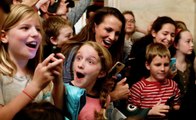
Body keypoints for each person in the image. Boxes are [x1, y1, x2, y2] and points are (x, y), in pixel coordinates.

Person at [0, 4, 65, 120]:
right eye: (25, 28)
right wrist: (35, 86)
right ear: (4, 36)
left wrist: (58, 83)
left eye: (38, 29)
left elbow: (56, 113)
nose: (36, 34)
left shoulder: (39, 72)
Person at [61, 6, 129, 104]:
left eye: (117, 33)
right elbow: (66, 96)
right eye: (108, 30)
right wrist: (112, 97)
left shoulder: (115, 53)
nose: (113, 37)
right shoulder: (76, 52)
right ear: (94, 27)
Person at [128, 43, 181, 119]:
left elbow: (177, 106)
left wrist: (171, 108)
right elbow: (131, 113)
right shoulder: (138, 88)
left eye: (166, 65)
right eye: (158, 65)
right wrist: (149, 112)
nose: (162, 69)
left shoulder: (173, 85)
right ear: (148, 65)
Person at [70, 41, 114, 120]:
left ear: (101, 73)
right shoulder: (63, 91)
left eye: (90, 62)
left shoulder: (104, 98)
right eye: (78, 58)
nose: (80, 65)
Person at [128, 16, 177, 86]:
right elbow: (134, 77)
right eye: (165, 34)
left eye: (172, 35)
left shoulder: (172, 50)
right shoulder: (140, 49)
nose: (169, 38)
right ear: (154, 33)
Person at [169, 29, 196, 119]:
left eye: (192, 41)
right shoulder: (166, 65)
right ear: (176, 45)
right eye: (188, 42)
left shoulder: (192, 64)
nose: (192, 45)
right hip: (172, 111)